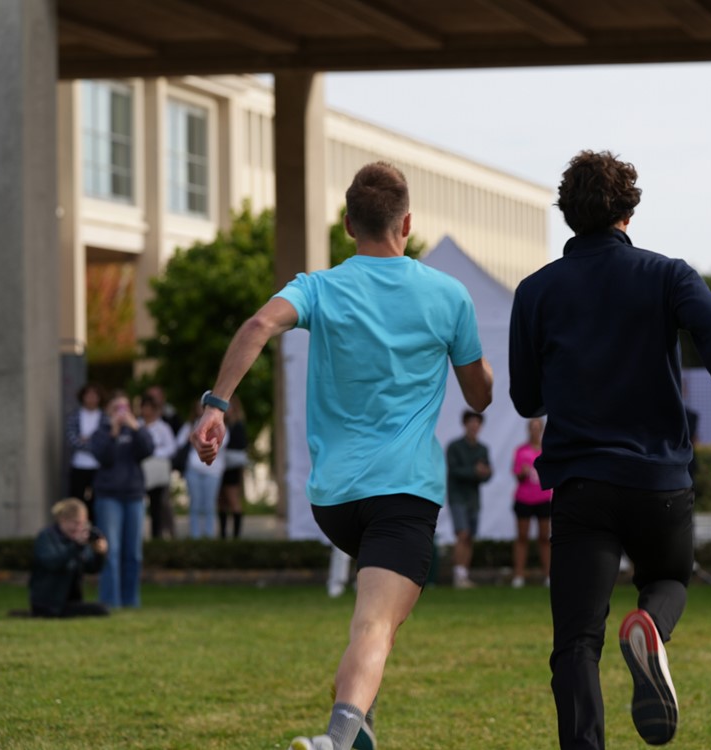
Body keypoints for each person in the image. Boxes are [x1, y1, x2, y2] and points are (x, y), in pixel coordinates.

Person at [189, 162, 492, 750]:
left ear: (349, 225)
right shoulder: (448, 295)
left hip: (335, 500)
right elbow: (479, 393)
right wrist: (478, 369)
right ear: (408, 223)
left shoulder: (318, 286)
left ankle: (361, 733)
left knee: (379, 622)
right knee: (376, 622)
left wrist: (216, 406)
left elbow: (257, 325)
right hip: (403, 493)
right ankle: (337, 737)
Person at [508, 150, 711, 749]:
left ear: (568, 214)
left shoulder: (536, 291)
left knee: (575, 643)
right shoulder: (668, 275)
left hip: (581, 485)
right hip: (658, 481)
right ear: (629, 209)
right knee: (670, 577)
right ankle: (650, 624)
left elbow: (526, 400)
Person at [90, 391, 154, 608]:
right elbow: (103, 457)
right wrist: (114, 432)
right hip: (109, 497)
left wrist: (135, 427)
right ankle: (110, 601)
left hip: (134, 496)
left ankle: (131, 600)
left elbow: (147, 450)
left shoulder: (137, 430)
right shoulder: (101, 432)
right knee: (111, 551)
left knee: (133, 553)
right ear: (109, 411)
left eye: (124, 408)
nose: (121, 413)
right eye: (117, 409)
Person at [29, 498, 109, 618]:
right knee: (100, 610)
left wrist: (100, 553)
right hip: (49, 602)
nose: (79, 528)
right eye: (76, 523)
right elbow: (53, 563)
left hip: (70, 601)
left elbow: (92, 568)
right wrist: (77, 546)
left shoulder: (78, 541)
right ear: (62, 520)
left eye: (83, 523)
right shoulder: (46, 537)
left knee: (102, 609)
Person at [446, 410, 492, 589]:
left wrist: (484, 473)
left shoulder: (483, 449)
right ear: (465, 424)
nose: (474, 426)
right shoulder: (454, 446)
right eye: (471, 422)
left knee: (470, 537)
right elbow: (455, 471)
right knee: (462, 534)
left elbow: (488, 474)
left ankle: (465, 573)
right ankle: (458, 574)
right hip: (458, 497)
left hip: (474, 499)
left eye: (477, 423)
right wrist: (475, 471)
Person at [510, 417, 552, 588]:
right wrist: (523, 472)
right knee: (522, 537)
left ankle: (548, 575)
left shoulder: (547, 450)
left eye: (537, 427)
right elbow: (517, 474)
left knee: (544, 538)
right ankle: (519, 575)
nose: (535, 431)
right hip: (524, 499)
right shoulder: (521, 451)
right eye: (532, 427)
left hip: (543, 498)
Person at [176, 401, 229, 539]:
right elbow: (179, 443)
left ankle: (209, 535)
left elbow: (222, 444)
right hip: (193, 470)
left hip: (212, 471)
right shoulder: (190, 426)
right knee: (195, 503)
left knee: (209, 504)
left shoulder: (219, 424)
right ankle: (195, 536)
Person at [139, 394, 176, 539]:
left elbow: (171, 447)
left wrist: (154, 451)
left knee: (157, 506)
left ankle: (157, 536)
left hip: (156, 470)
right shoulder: (137, 424)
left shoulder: (163, 427)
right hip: (140, 469)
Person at [66, 383, 104, 521]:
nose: (91, 398)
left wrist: (86, 440)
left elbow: (105, 442)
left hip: (97, 466)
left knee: (95, 502)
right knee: (76, 500)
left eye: (94, 395)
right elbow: (72, 439)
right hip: (79, 464)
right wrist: (92, 443)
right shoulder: (74, 416)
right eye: (88, 395)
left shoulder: (104, 417)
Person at [218, 395, 249, 539]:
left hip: (231, 468)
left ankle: (236, 536)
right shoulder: (223, 424)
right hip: (220, 467)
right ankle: (223, 534)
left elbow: (240, 446)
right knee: (221, 501)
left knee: (233, 499)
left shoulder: (237, 425)